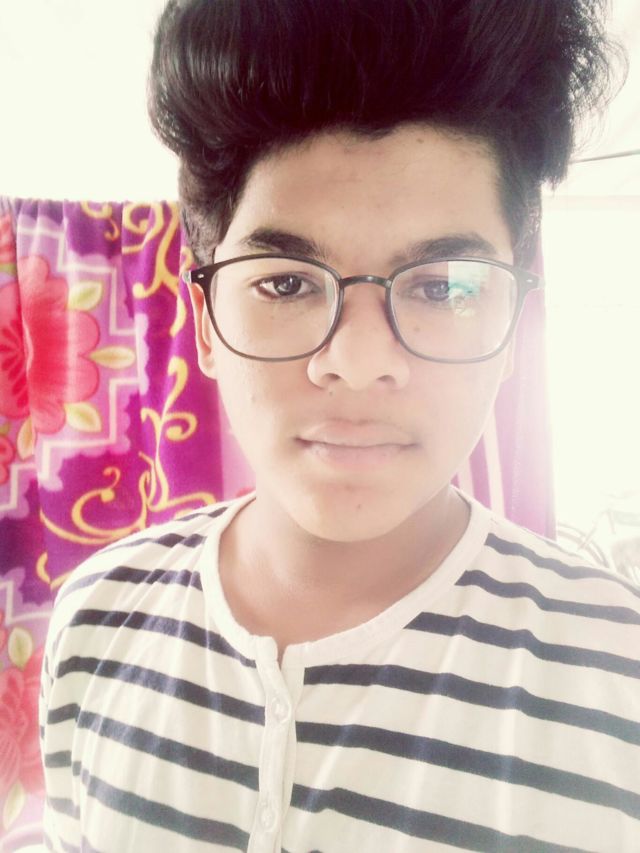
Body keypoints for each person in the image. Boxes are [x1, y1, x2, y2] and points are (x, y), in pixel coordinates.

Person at [39, 1, 639, 850]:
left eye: (443, 286)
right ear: (206, 322)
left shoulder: (617, 677)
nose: (358, 364)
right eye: (285, 282)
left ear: (513, 329)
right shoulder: (96, 616)